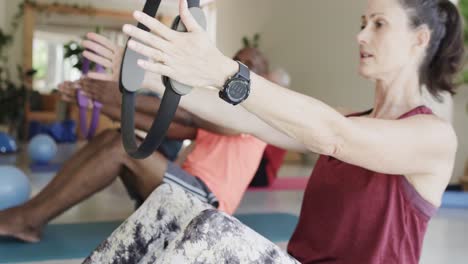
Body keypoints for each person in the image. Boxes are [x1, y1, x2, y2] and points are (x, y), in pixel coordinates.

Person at [85, 0, 464, 263]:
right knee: (170, 205)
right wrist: (153, 77)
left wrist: (224, 71)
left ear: (420, 39)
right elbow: (246, 118)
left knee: (210, 228)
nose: (361, 36)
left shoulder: (432, 136)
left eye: (378, 24)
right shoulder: (352, 118)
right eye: (362, 24)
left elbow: (333, 135)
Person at [0, 36, 269, 243]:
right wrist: (98, 101)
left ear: (262, 78)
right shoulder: (220, 110)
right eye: (237, 62)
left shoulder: (257, 116)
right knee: (116, 138)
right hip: (185, 189)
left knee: (121, 149)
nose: (241, 68)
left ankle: (27, 219)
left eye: (250, 65)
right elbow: (166, 125)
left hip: (209, 210)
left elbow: (188, 116)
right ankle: (31, 213)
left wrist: (116, 95)